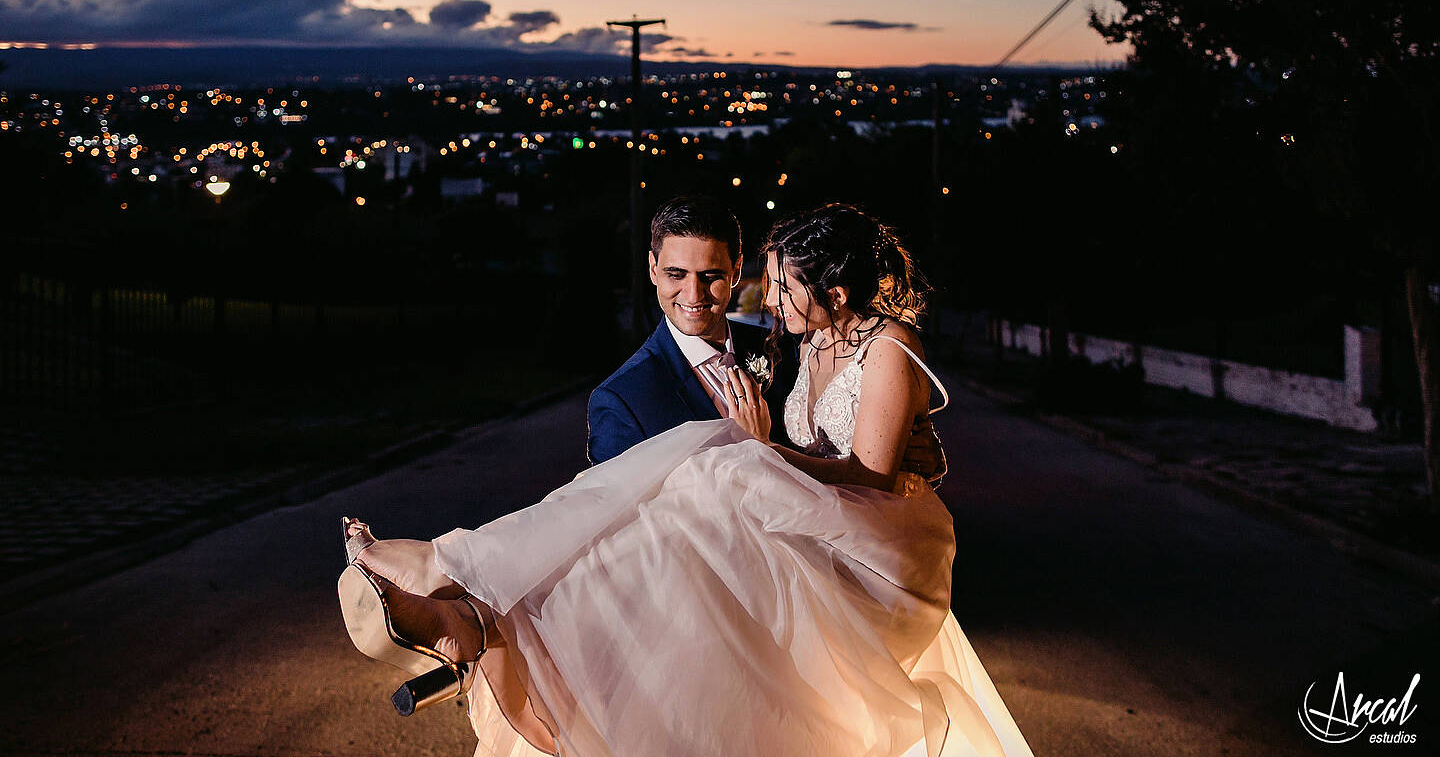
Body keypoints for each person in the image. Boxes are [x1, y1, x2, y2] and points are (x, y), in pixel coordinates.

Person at [338, 203, 1035, 757]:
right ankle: (471, 594)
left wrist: (761, 450)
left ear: (833, 291)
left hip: (860, 553)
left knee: (715, 459)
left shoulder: (834, 344)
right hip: (736, 596)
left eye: (776, 285)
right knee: (689, 475)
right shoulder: (761, 352)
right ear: (651, 271)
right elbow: (610, 522)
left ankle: (470, 594)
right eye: (676, 275)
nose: (767, 300)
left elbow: (869, 470)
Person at [586, 194, 792, 465]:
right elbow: (618, 507)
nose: (694, 295)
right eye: (676, 275)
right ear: (653, 269)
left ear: (737, 270)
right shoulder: (622, 401)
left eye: (711, 276)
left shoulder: (779, 348)